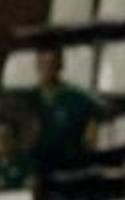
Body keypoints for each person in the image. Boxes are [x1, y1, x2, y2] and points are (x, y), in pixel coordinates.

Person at [23, 45, 104, 175]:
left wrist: (90, 135)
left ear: (60, 65)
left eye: (52, 63)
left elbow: (93, 124)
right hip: (36, 166)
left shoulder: (77, 98)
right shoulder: (26, 99)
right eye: (43, 63)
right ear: (37, 65)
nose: (47, 68)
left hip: (70, 163)